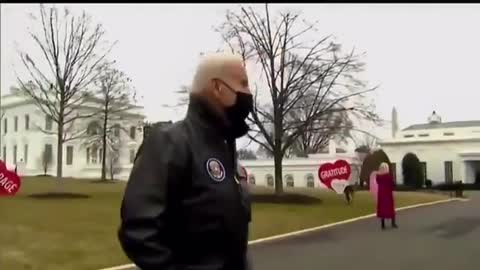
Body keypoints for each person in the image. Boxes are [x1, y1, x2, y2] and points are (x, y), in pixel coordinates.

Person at [118, 53, 253, 270]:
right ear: (218, 88)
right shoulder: (170, 143)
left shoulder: (226, 150)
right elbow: (139, 232)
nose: (249, 93)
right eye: (244, 84)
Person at [376, 162, 398, 230]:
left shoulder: (378, 176)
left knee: (382, 208)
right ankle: (393, 223)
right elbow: (392, 184)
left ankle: (383, 225)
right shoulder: (388, 176)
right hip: (388, 194)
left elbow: (378, 182)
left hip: (381, 194)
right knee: (390, 208)